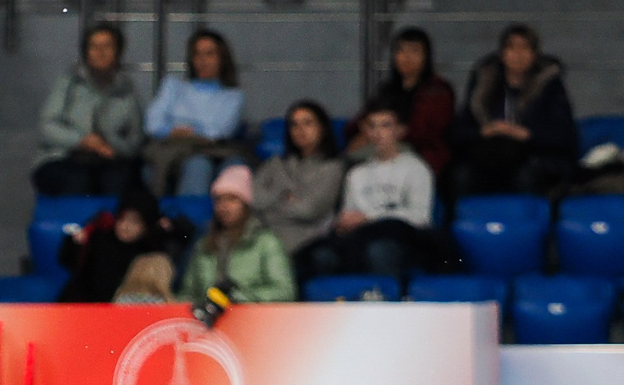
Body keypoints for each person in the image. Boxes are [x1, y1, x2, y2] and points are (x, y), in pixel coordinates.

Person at [298, 103, 436, 280]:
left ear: (400, 130)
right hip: (360, 238)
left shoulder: (417, 169)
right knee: (322, 255)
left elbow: (421, 217)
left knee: (378, 251)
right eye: (372, 126)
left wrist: (369, 217)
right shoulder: (357, 173)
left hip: (400, 240)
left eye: (385, 125)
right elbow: (349, 212)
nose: (378, 132)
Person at [451, 23, 577, 196]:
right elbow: (458, 132)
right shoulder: (483, 85)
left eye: (524, 48)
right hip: (488, 157)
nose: (518, 55)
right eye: (512, 48)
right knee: (462, 176)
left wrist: (527, 135)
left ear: (534, 55)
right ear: (502, 54)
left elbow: (564, 135)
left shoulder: (550, 87)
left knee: (526, 178)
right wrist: (485, 132)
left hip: (532, 157)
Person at [142, 29, 245, 197]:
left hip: (208, 152)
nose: (202, 61)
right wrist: (173, 132)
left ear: (222, 58)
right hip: (170, 150)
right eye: (197, 54)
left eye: (209, 54)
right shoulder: (173, 87)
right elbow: (151, 123)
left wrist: (187, 131)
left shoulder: (233, 97)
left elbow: (220, 131)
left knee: (198, 165)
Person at [179, 165, 296, 306]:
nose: (224, 206)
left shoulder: (266, 242)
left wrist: (237, 298)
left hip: (252, 320)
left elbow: (284, 291)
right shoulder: (204, 244)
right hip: (209, 321)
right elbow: (189, 292)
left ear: (245, 204)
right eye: (219, 200)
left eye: (232, 199)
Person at [255, 100, 346, 260]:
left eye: (307, 123)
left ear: (322, 128)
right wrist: (285, 195)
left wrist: (272, 199)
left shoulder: (332, 168)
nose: (300, 130)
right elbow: (253, 200)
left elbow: (307, 210)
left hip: (307, 243)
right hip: (265, 237)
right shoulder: (275, 163)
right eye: (294, 125)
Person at [55, 184, 167, 303]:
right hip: (84, 306)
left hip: (127, 311)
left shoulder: (150, 250)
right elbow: (67, 262)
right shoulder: (99, 234)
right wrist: (75, 243)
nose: (126, 226)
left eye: (135, 222)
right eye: (122, 219)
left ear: (146, 226)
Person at [368, 26, 454, 177]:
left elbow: (426, 132)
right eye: (401, 51)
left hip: (423, 153)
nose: (406, 57)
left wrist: (388, 133)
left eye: (414, 51)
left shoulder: (439, 90)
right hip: (383, 146)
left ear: (426, 57)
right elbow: (362, 120)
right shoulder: (386, 90)